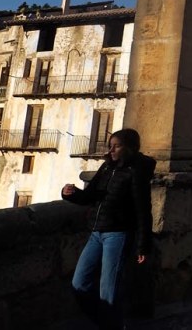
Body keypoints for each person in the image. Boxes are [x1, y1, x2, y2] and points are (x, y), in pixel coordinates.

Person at [62, 128, 155, 329]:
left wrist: (143, 245)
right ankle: (110, 324)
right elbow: (91, 196)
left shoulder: (135, 172)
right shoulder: (106, 168)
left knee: (108, 291)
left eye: (117, 146)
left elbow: (143, 210)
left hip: (118, 235)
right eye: (110, 145)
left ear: (129, 148)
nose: (111, 150)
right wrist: (70, 194)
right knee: (79, 283)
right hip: (96, 232)